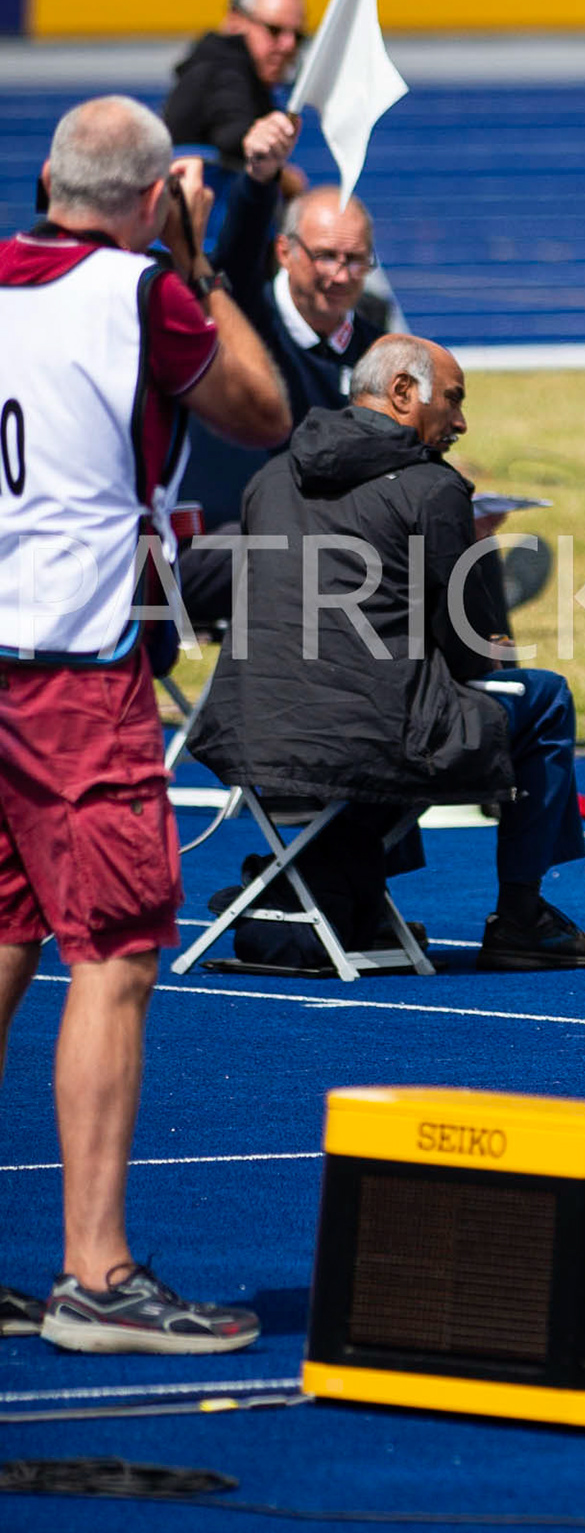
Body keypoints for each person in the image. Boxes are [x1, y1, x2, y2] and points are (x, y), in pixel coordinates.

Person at [0, 95, 290, 1351]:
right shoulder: (141, 293)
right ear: (138, 198)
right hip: (75, 657)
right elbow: (259, 408)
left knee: (6, 938)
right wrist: (194, 254)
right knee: (112, 951)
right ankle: (98, 1274)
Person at [188, 335, 585, 970]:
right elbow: (469, 652)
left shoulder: (270, 478)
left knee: (384, 693)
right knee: (540, 698)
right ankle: (521, 915)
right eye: (455, 400)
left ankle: (353, 892)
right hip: (370, 743)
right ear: (404, 394)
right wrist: (472, 551)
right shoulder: (431, 487)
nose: (462, 422)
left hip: (251, 737)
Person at [177, 110, 382, 619]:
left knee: (452, 535)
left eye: (356, 260)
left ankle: (487, 691)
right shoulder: (249, 318)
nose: (339, 275)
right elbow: (236, 255)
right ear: (286, 252)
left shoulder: (375, 350)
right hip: (239, 538)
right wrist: (260, 179)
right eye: (325, 256)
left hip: (332, 536)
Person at [162, 0, 307, 172]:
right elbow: (234, 134)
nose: (288, 45)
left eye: (298, 36)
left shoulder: (245, 76)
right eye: (274, 30)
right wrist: (283, 177)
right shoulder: (221, 69)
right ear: (236, 20)